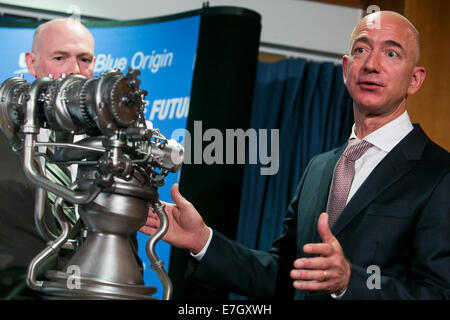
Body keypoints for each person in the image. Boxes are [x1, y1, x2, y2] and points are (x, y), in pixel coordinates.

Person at [140, 11, 450, 300]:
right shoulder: (320, 168)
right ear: (345, 68)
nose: (371, 64)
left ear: (415, 79)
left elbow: (439, 293)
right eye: (361, 50)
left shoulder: (439, 173)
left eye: (391, 53)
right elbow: (282, 275)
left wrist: (349, 282)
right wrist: (202, 240)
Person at [0, 18, 142, 299]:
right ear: (31, 63)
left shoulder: (114, 142)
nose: (74, 70)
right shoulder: (4, 136)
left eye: (84, 59)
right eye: (60, 57)